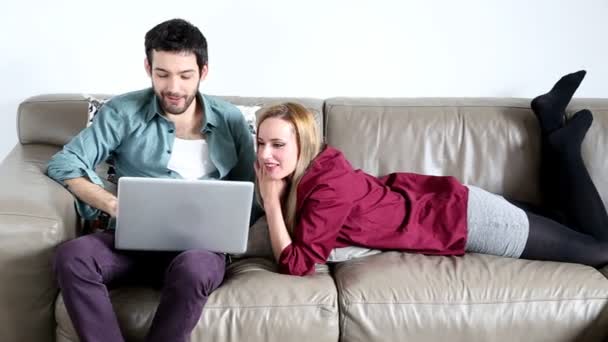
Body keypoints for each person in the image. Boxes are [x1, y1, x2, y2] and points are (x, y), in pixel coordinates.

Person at [254, 70, 608, 276]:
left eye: (278, 144)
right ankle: (550, 121)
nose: (266, 156)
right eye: (260, 143)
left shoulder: (326, 185)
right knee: (568, 219)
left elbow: (297, 264)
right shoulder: (316, 168)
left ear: (305, 144)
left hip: (469, 222)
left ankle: (562, 146)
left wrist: (271, 201)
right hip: (453, 204)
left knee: (600, 248)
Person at [46, 19, 257, 342]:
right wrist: (112, 204)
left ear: (204, 71)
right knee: (71, 256)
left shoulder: (229, 120)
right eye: (162, 74)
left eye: (186, 75)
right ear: (148, 67)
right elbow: (65, 162)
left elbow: (248, 196)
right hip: (131, 244)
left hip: (198, 252)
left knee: (196, 268)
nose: (174, 87)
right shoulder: (123, 111)